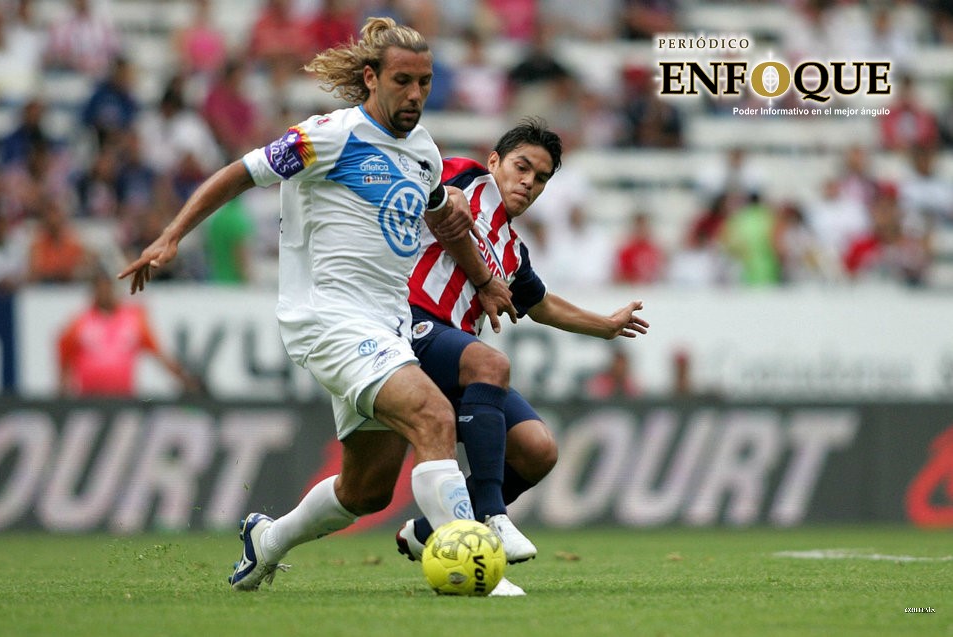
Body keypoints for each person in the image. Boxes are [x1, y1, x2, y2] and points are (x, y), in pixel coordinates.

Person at [118, 17, 516, 593]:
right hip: (328, 318)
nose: (415, 95)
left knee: (367, 491)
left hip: (387, 326)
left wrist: (482, 279)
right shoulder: (328, 135)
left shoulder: (424, 152)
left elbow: (442, 218)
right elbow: (239, 173)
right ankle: (474, 564)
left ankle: (268, 540)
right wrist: (172, 234)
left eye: (425, 83)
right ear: (370, 77)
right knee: (434, 417)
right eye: (403, 81)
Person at [395, 119, 649, 595]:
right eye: (521, 166)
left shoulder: (513, 251)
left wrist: (606, 326)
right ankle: (492, 516)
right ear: (495, 161)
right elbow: (433, 209)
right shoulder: (462, 177)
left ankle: (430, 532)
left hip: (451, 351)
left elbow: (542, 305)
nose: (529, 181)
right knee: (491, 364)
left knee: (538, 448)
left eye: (542, 177)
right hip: (408, 324)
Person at [58, 268, 201, 397]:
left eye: (107, 287)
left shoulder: (133, 319)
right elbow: (64, 357)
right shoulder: (80, 321)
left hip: (124, 399)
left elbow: (159, 355)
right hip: (88, 399)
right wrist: (62, 391)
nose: (104, 293)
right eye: (99, 288)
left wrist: (184, 380)